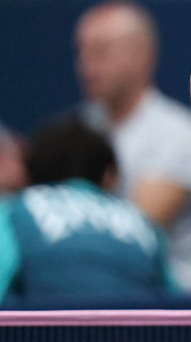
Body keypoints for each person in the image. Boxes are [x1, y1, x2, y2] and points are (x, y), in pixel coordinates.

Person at [76, 0, 191, 294]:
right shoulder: (78, 128)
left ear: (142, 56)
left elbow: (130, 234)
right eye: (82, 52)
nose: (88, 66)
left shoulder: (177, 135)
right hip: (90, 300)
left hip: (167, 312)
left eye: (101, 52)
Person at [0, 117, 174, 303]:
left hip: (46, 331)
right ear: (108, 176)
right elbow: (175, 307)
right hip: (135, 332)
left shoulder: (13, 211)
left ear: (30, 173)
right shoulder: (142, 222)